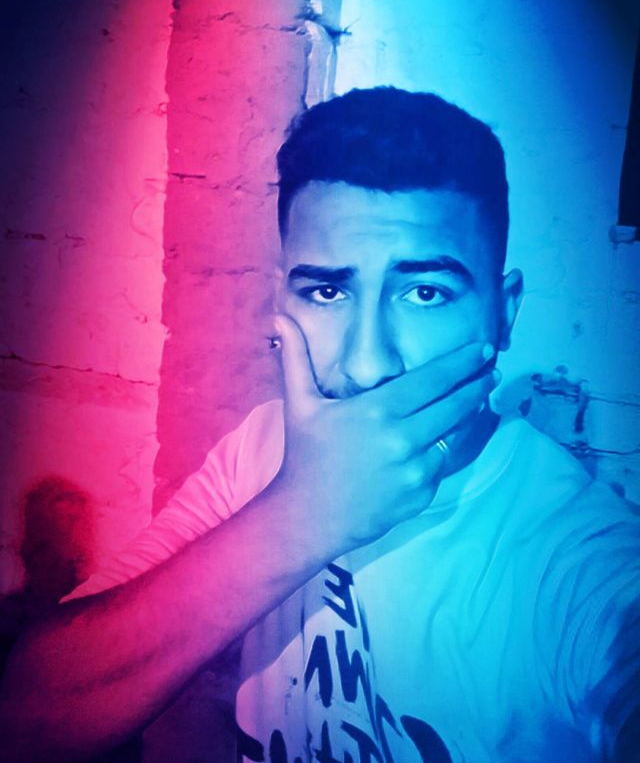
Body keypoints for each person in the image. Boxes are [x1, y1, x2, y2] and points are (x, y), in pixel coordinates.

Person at [1, 88, 638, 762]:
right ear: (282, 298)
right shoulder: (262, 446)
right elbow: (27, 717)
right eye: (328, 291)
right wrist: (302, 515)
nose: (367, 364)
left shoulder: (574, 551)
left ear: (503, 313)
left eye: (425, 292)